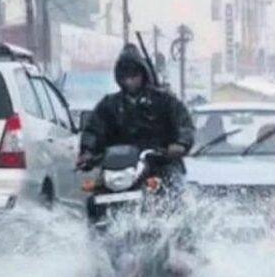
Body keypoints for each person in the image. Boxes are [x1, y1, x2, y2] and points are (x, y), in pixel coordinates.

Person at [76, 44, 195, 177]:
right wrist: (87, 151)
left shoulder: (164, 100)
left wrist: (180, 143)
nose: (129, 81)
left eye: (134, 75)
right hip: (119, 170)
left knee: (172, 184)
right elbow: (94, 129)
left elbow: (184, 122)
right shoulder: (109, 104)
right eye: (125, 76)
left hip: (160, 164)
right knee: (96, 191)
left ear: (143, 74)